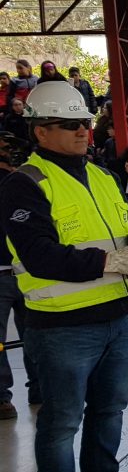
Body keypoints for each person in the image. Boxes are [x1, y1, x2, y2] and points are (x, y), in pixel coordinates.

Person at [0, 81, 128, 472]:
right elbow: (38, 254)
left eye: (86, 123)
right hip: (61, 326)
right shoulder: (24, 185)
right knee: (61, 425)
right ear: (40, 131)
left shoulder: (103, 176)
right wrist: (111, 260)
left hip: (116, 317)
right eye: (69, 124)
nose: (82, 131)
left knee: (109, 412)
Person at [0, 134, 40, 420]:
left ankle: (39, 387)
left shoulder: (28, 183)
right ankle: (2, 396)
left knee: (37, 334)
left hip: (29, 270)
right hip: (3, 272)